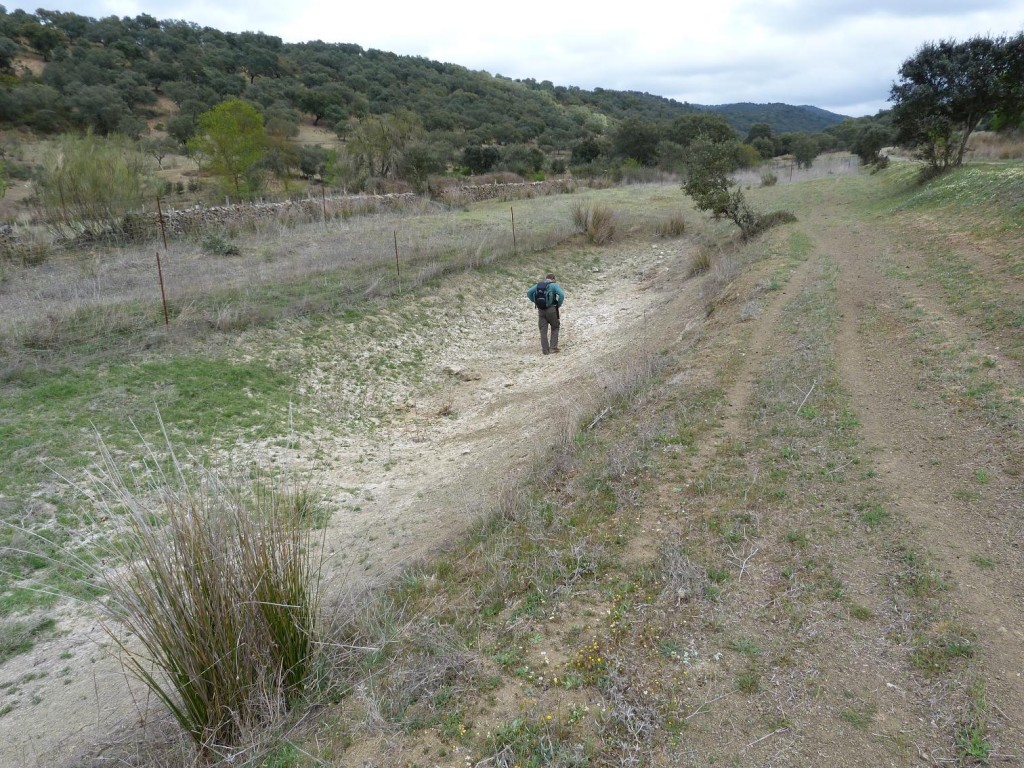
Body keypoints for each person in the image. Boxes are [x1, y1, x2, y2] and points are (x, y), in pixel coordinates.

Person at [526, 272, 566, 355]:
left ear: (546, 278)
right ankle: (553, 348)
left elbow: (529, 292)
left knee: (543, 330)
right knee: (555, 327)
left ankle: (545, 350)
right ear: (553, 279)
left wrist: (535, 301)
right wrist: (559, 304)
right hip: (551, 309)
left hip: (541, 310)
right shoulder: (554, 285)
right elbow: (561, 295)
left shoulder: (539, 285)